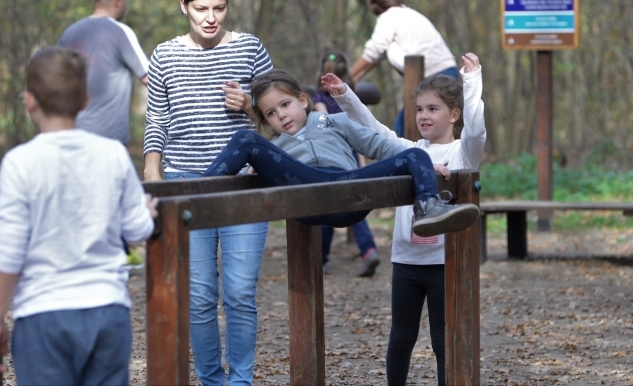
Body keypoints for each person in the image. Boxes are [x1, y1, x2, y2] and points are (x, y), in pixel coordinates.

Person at [0, 46, 158, 386]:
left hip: (43, 315)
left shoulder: (20, 163)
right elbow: (137, 227)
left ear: (29, 100)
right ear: (85, 101)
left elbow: (9, 253)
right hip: (108, 311)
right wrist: (147, 212)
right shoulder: (113, 154)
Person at [323, 52, 486, 386]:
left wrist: (471, 81)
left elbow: (476, 133)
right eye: (419, 109)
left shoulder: (461, 154)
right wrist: (344, 95)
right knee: (401, 338)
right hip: (407, 262)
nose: (423, 116)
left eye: (433, 109)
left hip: (444, 262)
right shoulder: (409, 151)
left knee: (443, 341)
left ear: (454, 114)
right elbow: (375, 131)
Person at [144, 0, 273, 386]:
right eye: (200, 8)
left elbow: (281, 116)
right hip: (185, 183)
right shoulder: (164, 55)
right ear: (184, 6)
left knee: (239, 294)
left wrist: (251, 105)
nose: (210, 17)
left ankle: (240, 382)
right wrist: (153, 173)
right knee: (198, 298)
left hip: (245, 185)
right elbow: (157, 121)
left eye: (218, 8)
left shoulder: (251, 48)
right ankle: (212, 381)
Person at [203, 69, 480, 239]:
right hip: (305, 195)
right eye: (271, 114)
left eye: (285, 104)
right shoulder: (276, 149)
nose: (281, 116)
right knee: (245, 139)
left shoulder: (334, 122)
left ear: (302, 100)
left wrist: (425, 167)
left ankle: (428, 209)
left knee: (416, 154)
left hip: (349, 191)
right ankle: (199, 192)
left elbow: (379, 145)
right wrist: (258, 169)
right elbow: (266, 166)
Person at [350, 0, 458, 136]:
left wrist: (349, 76)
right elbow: (377, 55)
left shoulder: (389, 16)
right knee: (438, 129)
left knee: (405, 127)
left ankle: (417, 160)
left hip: (432, 76)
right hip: (449, 71)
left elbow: (374, 50)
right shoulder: (408, 14)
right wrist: (357, 76)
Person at [58, 0, 149, 145]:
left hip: (71, 136)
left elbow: (54, 80)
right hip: (109, 140)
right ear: (118, 1)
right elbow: (150, 78)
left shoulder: (69, 33)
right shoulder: (120, 32)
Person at [312, 50, 380, 277]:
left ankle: (320, 260)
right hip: (352, 156)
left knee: (327, 209)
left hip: (332, 158)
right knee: (353, 206)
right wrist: (361, 163)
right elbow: (356, 134)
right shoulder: (350, 101)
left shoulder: (320, 100)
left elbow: (325, 125)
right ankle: (368, 248)